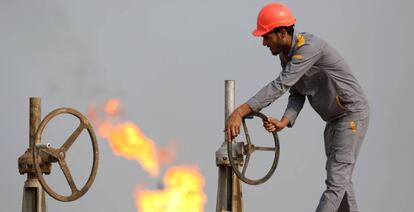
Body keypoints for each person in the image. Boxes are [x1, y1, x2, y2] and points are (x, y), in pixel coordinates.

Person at [224, 2, 369, 212]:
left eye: (266, 37)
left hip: (350, 115)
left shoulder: (308, 48)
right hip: (334, 118)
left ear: (282, 33)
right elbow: (297, 91)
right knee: (340, 179)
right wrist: (285, 120)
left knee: (336, 180)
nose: (264, 43)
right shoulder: (287, 57)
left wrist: (240, 111)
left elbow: (280, 85)